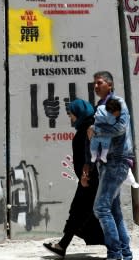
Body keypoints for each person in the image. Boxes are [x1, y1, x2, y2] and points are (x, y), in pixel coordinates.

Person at [43, 99, 105, 258]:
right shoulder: (90, 127)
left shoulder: (87, 130)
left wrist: (86, 176)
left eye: (71, 115)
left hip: (90, 179)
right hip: (90, 179)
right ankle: (62, 245)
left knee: (79, 212)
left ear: (79, 114)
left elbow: (90, 156)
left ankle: (62, 245)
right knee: (85, 214)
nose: (71, 118)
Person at [83, 71, 134, 260]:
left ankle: (114, 255)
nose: (96, 86)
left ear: (109, 85)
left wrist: (96, 129)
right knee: (114, 211)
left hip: (116, 160)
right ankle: (125, 254)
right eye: (94, 84)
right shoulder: (102, 105)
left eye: (99, 83)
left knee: (101, 208)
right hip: (107, 162)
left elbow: (120, 128)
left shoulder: (115, 102)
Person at [90, 98, 122, 163]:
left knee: (93, 145)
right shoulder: (111, 117)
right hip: (105, 135)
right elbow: (112, 123)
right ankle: (103, 157)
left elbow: (95, 114)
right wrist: (115, 120)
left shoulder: (100, 108)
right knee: (105, 146)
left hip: (96, 132)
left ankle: (93, 156)